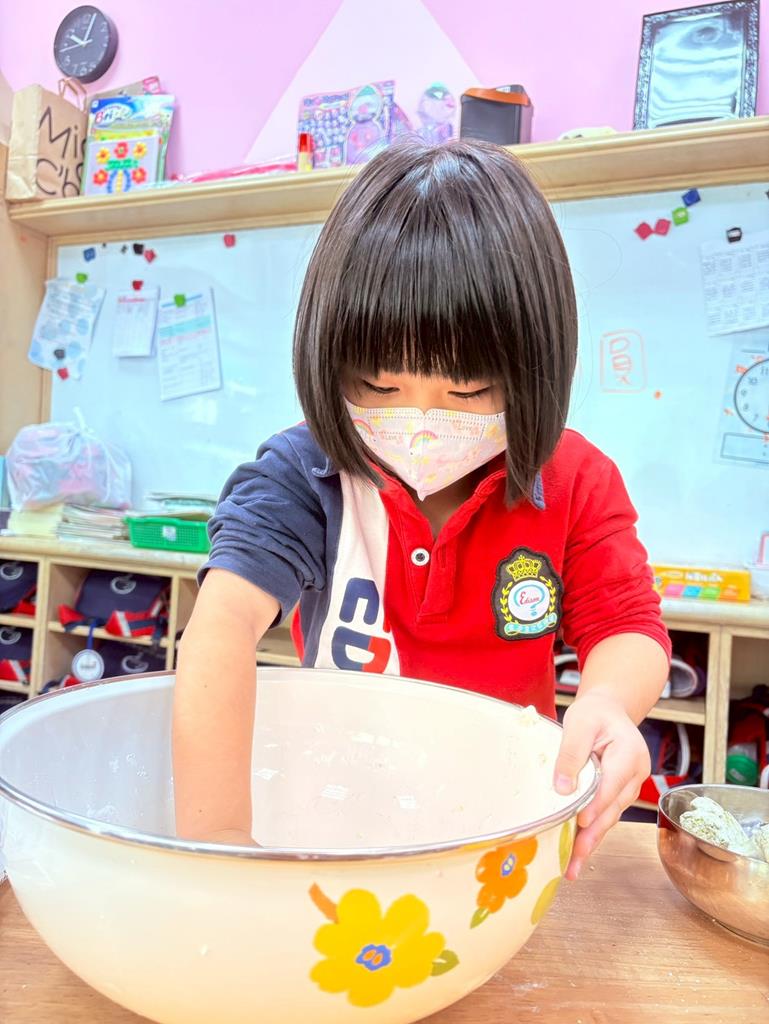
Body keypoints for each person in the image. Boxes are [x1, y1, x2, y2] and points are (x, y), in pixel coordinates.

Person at [173, 138, 670, 879]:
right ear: (329, 361)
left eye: (468, 392)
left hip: (498, 826)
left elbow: (626, 625)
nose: (424, 422)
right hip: (332, 810)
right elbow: (221, 625)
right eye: (380, 387)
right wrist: (218, 838)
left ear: (533, 371)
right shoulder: (304, 473)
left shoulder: (576, 480)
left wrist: (607, 702)